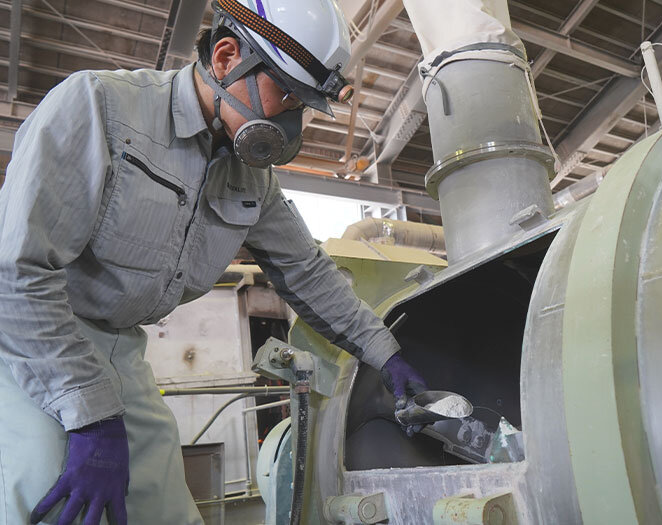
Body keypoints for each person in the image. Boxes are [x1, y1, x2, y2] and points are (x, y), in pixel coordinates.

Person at [0, 0, 427, 523]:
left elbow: (306, 272)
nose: (292, 125)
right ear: (226, 57)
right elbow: (15, 271)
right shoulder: (97, 107)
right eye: (286, 95)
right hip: (31, 340)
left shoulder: (252, 181)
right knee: (48, 492)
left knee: (164, 508)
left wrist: (384, 352)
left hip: (124, 352)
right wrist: (89, 417)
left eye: (303, 106)